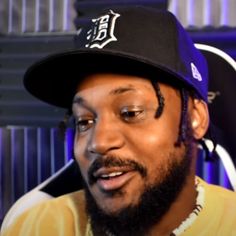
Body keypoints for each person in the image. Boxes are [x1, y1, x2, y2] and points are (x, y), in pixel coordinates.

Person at [2, 6, 236, 236]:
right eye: (84, 121)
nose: (99, 142)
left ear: (196, 118)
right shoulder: (34, 227)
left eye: (130, 113)